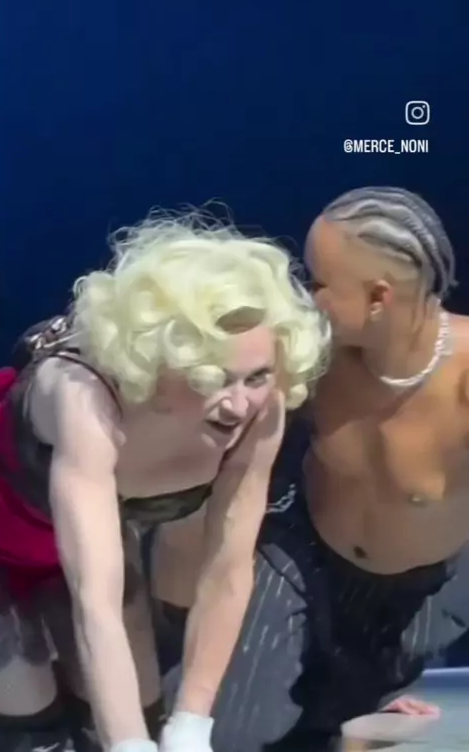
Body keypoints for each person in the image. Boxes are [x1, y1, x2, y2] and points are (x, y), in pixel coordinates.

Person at [0, 210, 329, 752]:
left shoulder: (261, 408)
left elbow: (228, 569)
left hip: (79, 545)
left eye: (258, 376)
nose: (239, 403)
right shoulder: (84, 397)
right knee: (31, 723)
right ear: (164, 360)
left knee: (142, 714)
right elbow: (94, 601)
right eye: (213, 377)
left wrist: (192, 725)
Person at [169, 186, 469, 752]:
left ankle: (364, 713)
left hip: (420, 588)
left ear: (378, 297)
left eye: (319, 282)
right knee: (234, 735)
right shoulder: (315, 355)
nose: (306, 297)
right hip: (301, 553)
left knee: (329, 722)